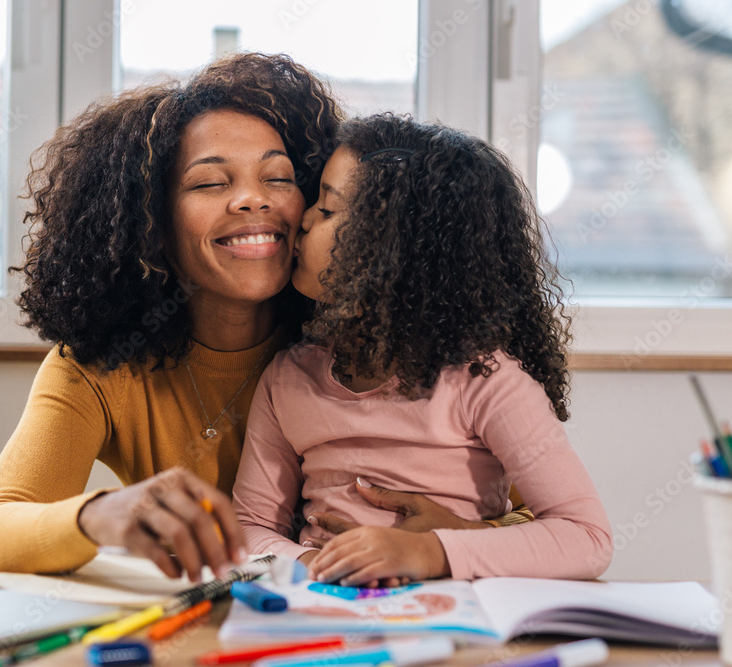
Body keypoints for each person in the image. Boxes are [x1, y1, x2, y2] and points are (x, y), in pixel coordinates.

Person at [0, 54, 532, 580]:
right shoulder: (97, 365)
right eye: (211, 182)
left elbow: (558, 526)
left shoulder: (374, 340)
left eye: (279, 178)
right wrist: (99, 513)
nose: (252, 200)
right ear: (149, 222)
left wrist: (456, 539)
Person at [233, 114, 613, 585]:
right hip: (327, 613)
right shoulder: (288, 379)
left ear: (394, 252)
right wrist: (308, 564)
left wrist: (430, 552)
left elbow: (587, 538)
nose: (303, 220)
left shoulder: (485, 379)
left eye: (328, 211)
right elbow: (249, 528)